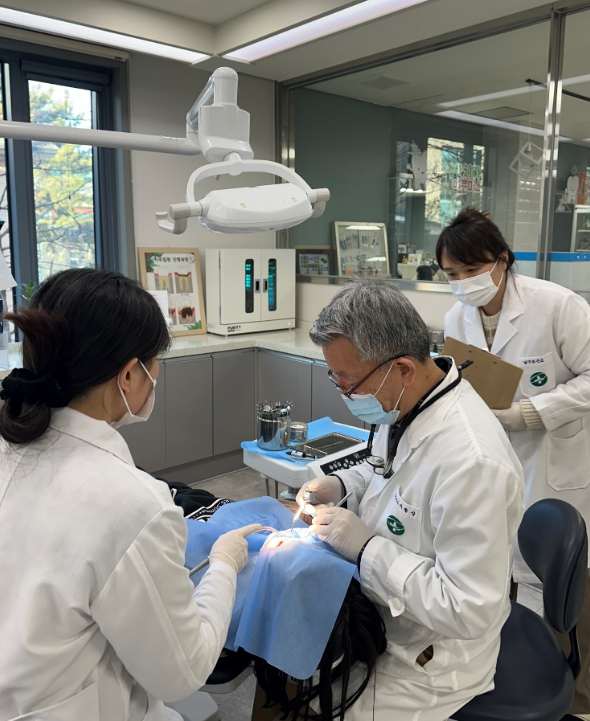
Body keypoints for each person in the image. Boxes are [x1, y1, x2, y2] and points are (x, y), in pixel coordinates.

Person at [0, 268, 260, 721]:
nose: (156, 374)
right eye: (154, 362)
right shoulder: (132, 505)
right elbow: (184, 670)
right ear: (127, 375)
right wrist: (223, 565)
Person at [296, 279, 524, 721]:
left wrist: (367, 550)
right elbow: (387, 470)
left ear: (401, 368)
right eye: (334, 376)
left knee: (329, 707)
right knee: (301, 668)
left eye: (348, 381)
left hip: (432, 657)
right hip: (387, 617)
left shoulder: (473, 462)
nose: (342, 391)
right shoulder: (407, 400)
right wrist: (341, 485)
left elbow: (468, 608)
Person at [437, 207, 590, 717]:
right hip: (497, 458)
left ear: (502, 260)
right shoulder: (457, 318)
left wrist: (529, 413)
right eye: (452, 274)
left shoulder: (557, 305)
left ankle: (575, 697)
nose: (463, 283)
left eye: (472, 269)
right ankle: (509, 669)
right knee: (504, 566)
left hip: (556, 456)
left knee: (564, 576)